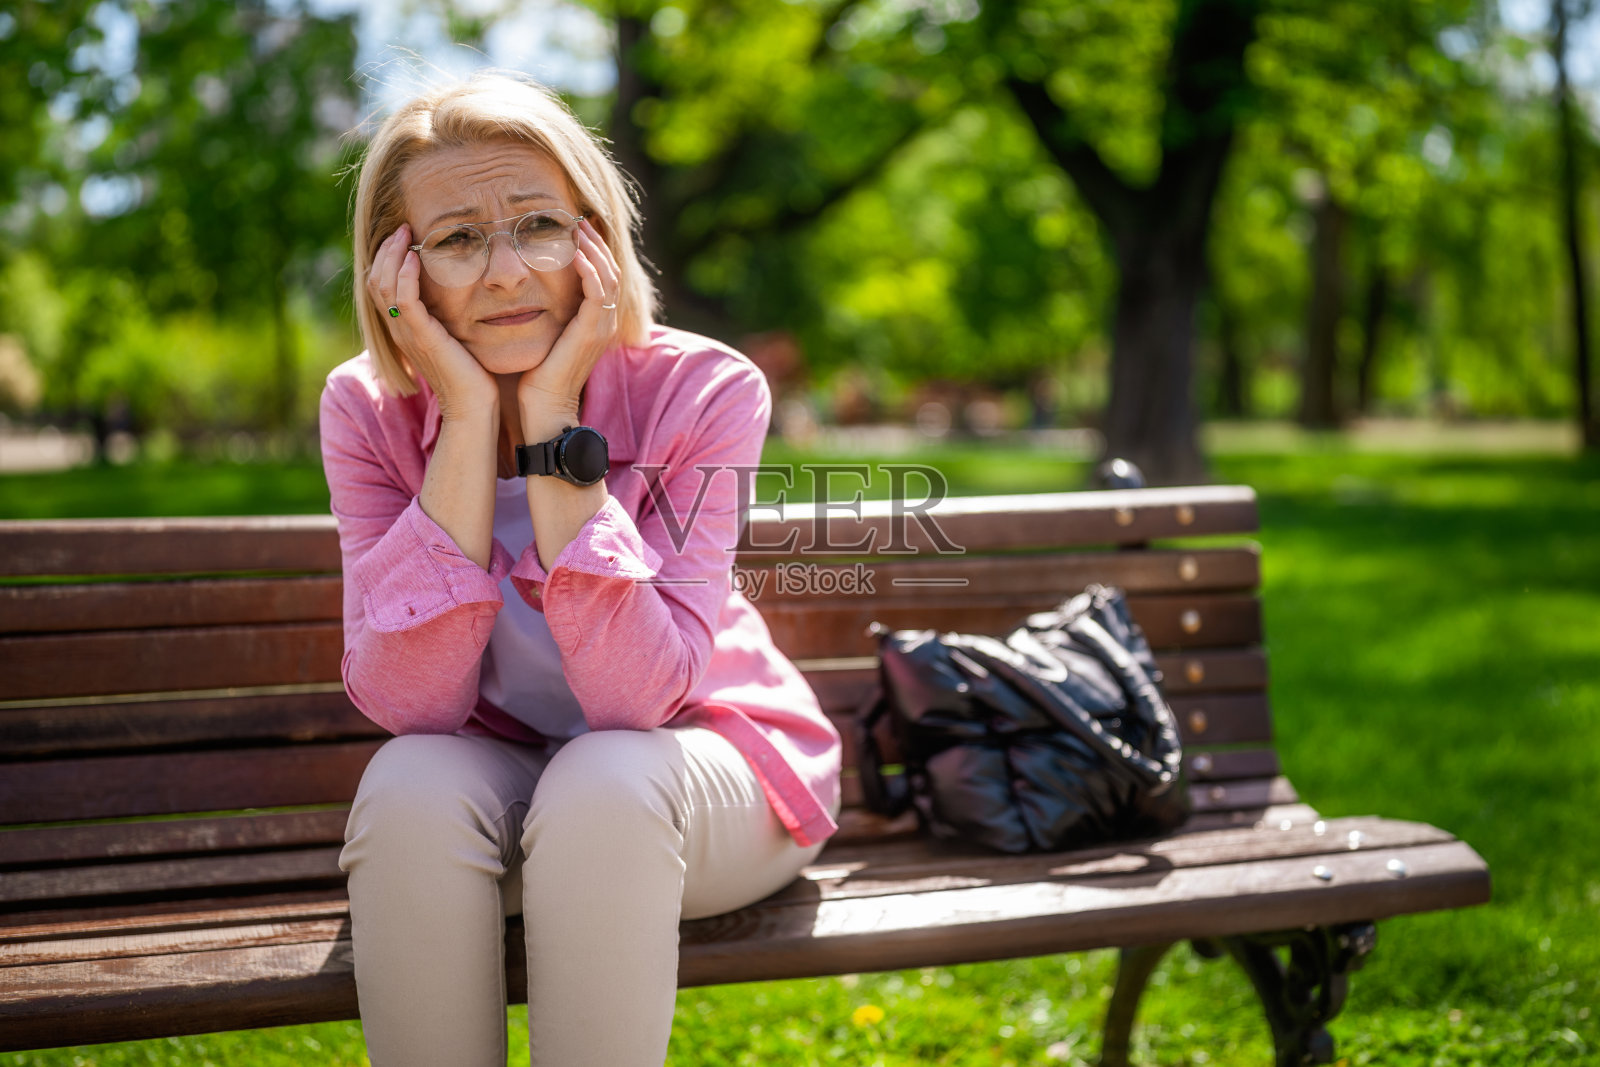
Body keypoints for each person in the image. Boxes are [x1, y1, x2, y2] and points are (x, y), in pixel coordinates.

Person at [319, 72, 842, 1067]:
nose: (508, 272)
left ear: (595, 236)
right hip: (512, 780)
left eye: (539, 225)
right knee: (408, 782)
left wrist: (554, 423)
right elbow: (409, 700)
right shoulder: (364, 411)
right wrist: (470, 421)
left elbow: (637, 695)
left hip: (707, 768)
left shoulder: (702, 389)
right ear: (399, 266)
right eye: (460, 239)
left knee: (604, 777)